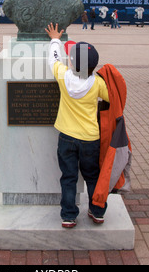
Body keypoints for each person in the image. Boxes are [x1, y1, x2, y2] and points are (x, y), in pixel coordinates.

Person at [45, 23, 110, 227]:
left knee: (69, 177)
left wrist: (55, 39)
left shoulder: (63, 75)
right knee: (92, 176)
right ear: (93, 66)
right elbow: (111, 98)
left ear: (71, 63)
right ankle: (97, 211)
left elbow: (53, 59)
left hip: (66, 137)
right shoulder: (98, 83)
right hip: (90, 139)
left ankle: (69, 215)